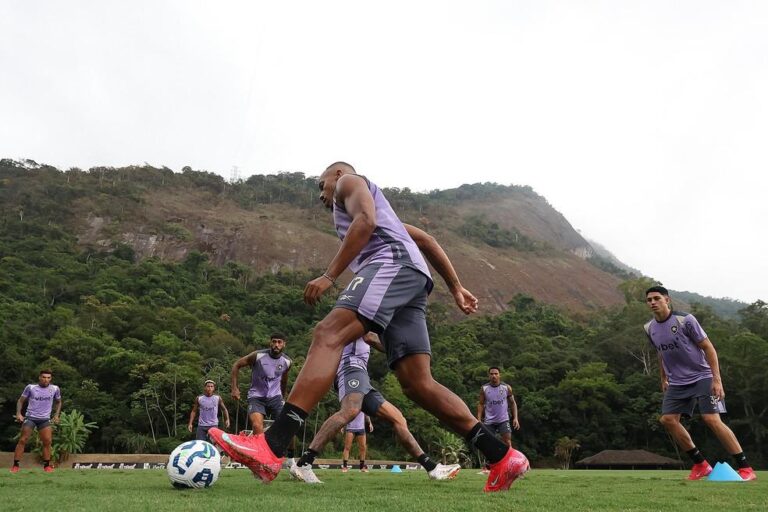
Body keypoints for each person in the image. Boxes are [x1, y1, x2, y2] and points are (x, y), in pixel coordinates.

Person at [210, 162, 528, 492]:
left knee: (328, 333)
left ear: (337, 175)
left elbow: (366, 221)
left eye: (322, 185)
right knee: (418, 384)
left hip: (393, 266)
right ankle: (502, 455)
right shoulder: (386, 218)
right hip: (414, 282)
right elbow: (427, 240)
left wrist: (329, 275)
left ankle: (272, 446)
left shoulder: (349, 182)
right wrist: (456, 287)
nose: (321, 194)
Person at [289, 333, 461, 483]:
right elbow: (371, 338)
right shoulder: (360, 319)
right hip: (350, 369)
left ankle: (432, 469)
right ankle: (304, 463)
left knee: (398, 418)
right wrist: (400, 348)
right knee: (349, 411)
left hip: (362, 376)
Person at [644, 285, 757, 481]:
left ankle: (745, 468)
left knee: (711, 419)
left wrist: (717, 379)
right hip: (677, 382)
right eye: (649, 300)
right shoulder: (649, 328)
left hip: (702, 376)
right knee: (668, 420)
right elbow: (661, 353)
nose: (653, 302)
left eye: (657, 298)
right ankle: (700, 465)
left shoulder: (685, 320)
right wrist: (663, 378)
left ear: (667, 300)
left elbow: (708, 347)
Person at [229, 333, 292, 436]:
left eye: (279, 342)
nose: (276, 344)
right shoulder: (257, 356)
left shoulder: (287, 362)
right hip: (257, 397)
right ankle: (259, 450)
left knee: (286, 425)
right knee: (257, 426)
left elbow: (284, 379)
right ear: (270, 343)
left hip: (275, 397)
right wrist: (234, 388)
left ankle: (286, 452)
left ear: (284, 344)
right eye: (274, 341)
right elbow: (237, 365)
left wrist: (283, 396)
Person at [11, 369, 62, 473]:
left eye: (48, 378)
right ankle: (15, 465)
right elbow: (20, 401)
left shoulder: (55, 389)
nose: (46, 380)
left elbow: (59, 402)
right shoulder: (31, 387)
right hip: (31, 418)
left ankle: (47, 466)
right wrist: (18, 413)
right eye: (44, 377)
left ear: (50, 379)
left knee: (47, 442)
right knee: (22, 440)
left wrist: (56, 415)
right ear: (39, 377)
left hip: (44, 419)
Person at [477, 367, 520, 472]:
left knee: (507, 441)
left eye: (496, 373)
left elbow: (513, 403)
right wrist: (478, 419)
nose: (494, 376)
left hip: (503, 420)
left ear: (499, 375)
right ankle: (487, 467)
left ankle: (510, 465)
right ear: (489, 375)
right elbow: (481, 404)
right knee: (487, 443)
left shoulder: (507, 388)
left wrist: (515, 418)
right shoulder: (484, 388)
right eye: (491, 374)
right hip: (489, 421)